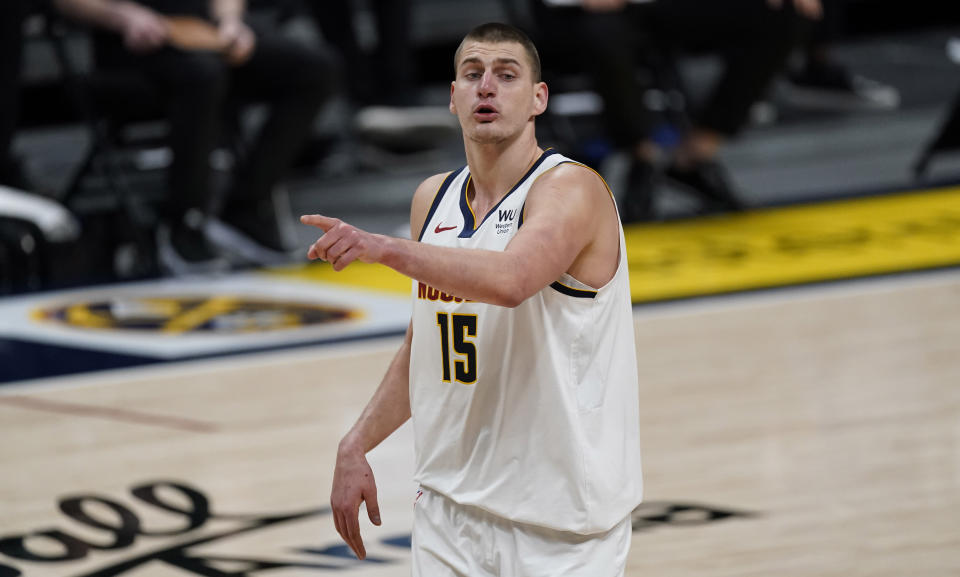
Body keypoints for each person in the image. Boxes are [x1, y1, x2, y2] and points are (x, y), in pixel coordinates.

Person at [301, 22, 642, 577]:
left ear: (539, 98)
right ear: (453, 96)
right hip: (449, 510)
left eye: (507, 75)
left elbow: (512, 279)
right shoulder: (431, 200)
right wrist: (356, 441)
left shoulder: (570, 189)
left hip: (561, 524)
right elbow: (426, 346)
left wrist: (381, 249)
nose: (487, 87)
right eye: (472, 74)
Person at [54, 0, 337, 274]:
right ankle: (184, 222)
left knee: (315, 68)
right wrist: (124, 16)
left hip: (203, 34)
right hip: (131, 45)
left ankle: (247, 204)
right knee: (202, 75)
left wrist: (230, 21)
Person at [533, 0, 821, 222]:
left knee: (785, 15)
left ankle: (695, 155)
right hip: (581, 13)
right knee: (604, 31)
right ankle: (642, 158)